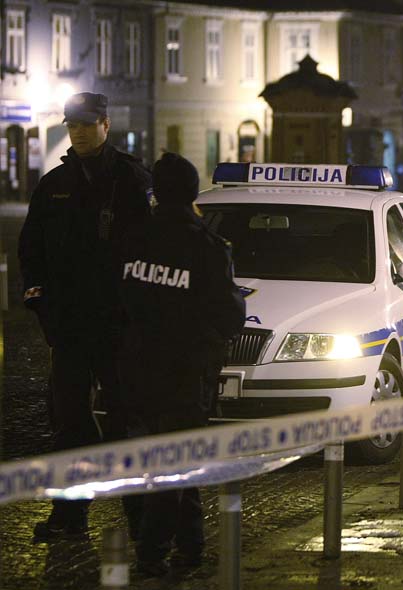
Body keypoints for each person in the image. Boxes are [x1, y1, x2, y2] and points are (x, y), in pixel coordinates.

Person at [18, 92, 152, 540]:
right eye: (72, 125)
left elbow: (151, 251)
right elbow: (31, 252)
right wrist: (41, 306)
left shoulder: (132, 181)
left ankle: (142, 521)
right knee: (70, 422)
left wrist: (137, 316)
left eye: (87, 124)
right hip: (70, 327)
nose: (78, 132)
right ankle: (69, 516)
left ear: (106, 125)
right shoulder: (54, 184)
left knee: (126, 421)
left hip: (118, 327)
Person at [119, 152, 245, 577]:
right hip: (184, 376)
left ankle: (190, 547)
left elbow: (117, 302)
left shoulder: (132, 239)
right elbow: (230, 317)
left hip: (136, 372)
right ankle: (151, 554)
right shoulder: (206, 248)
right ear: (193, 195)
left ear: (157, 193)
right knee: (174, 465)